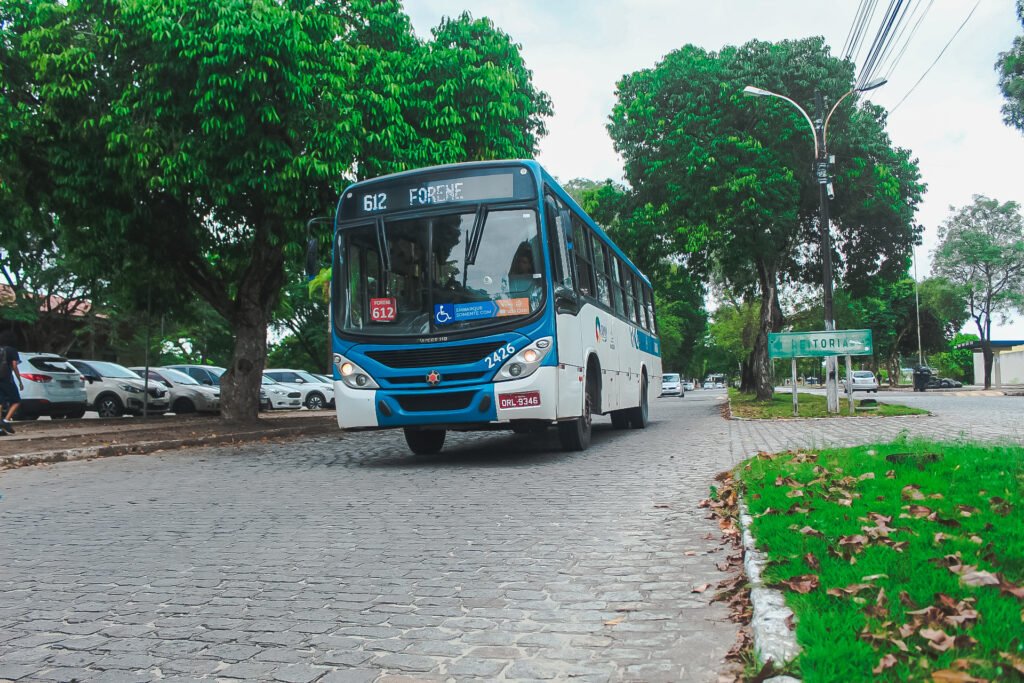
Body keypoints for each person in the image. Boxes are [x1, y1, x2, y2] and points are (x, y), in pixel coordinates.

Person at [0, 331, 23, 434]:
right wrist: (19, 380)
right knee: (16, 401)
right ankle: (5, 421)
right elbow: (14, 365)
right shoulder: (12, 350)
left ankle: (0, 429)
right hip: (6, 379)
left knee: (0, 403)